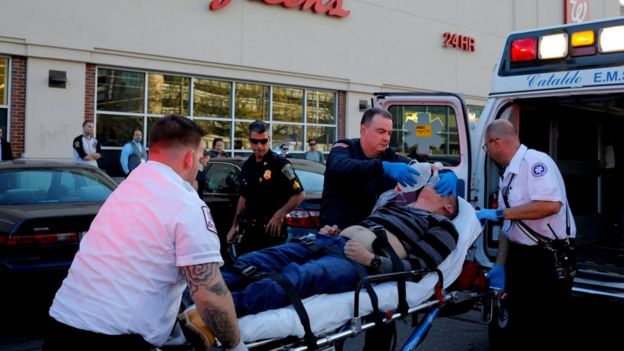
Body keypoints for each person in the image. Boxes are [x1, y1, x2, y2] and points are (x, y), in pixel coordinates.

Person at [44, 115, 246, 351]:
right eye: (201, 155)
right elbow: (209, 295)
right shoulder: (186, 204)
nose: (202, 162)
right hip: (114, 338)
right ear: (189, 157)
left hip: (60, 325)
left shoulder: (128, 186)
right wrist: (235, 345)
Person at [320, 107, 458, 351]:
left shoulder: (391, 157)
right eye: (380, 131)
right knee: (333, 323)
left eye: (389, 133)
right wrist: (380, 168)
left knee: (382, 323)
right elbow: (340, 167)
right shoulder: (344, 149)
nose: (386, 137)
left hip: (372, 248)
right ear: (363, 130)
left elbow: (425, 168)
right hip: (337, 238)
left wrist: (447, 173)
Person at [222, 183, 458, 317]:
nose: (435, 182)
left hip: (357, 262)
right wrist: (333, 232)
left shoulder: (443, 227)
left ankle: (220, 309)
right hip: (327, 241)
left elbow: (419, 268)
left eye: (443, 187)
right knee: (257, 260)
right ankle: (196, 293)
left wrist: (373, 260)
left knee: (296, 276)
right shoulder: (393, 207)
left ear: (449, 205)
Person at [476, 119, 576, 348]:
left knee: (546, 325)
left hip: (548, 258)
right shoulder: (508, 175)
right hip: (521, 257)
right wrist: (499, 264)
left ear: (496, 142)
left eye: (486, 147)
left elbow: (551, 205)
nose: (488, 153)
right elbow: (509, 227)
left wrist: (502, 214)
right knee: (518, 323)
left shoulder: (536, 163)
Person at [227, 121, 305, 255]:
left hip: (271, 232)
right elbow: (243, 198)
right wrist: (234, 225)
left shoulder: (279, 164)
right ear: (249, 141)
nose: (259, 146)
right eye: (255, 141)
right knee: (244, 269)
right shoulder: (248, 165)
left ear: (269, 139)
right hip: (249, 231)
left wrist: (279, 215)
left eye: (263, 141)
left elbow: (299, 195)